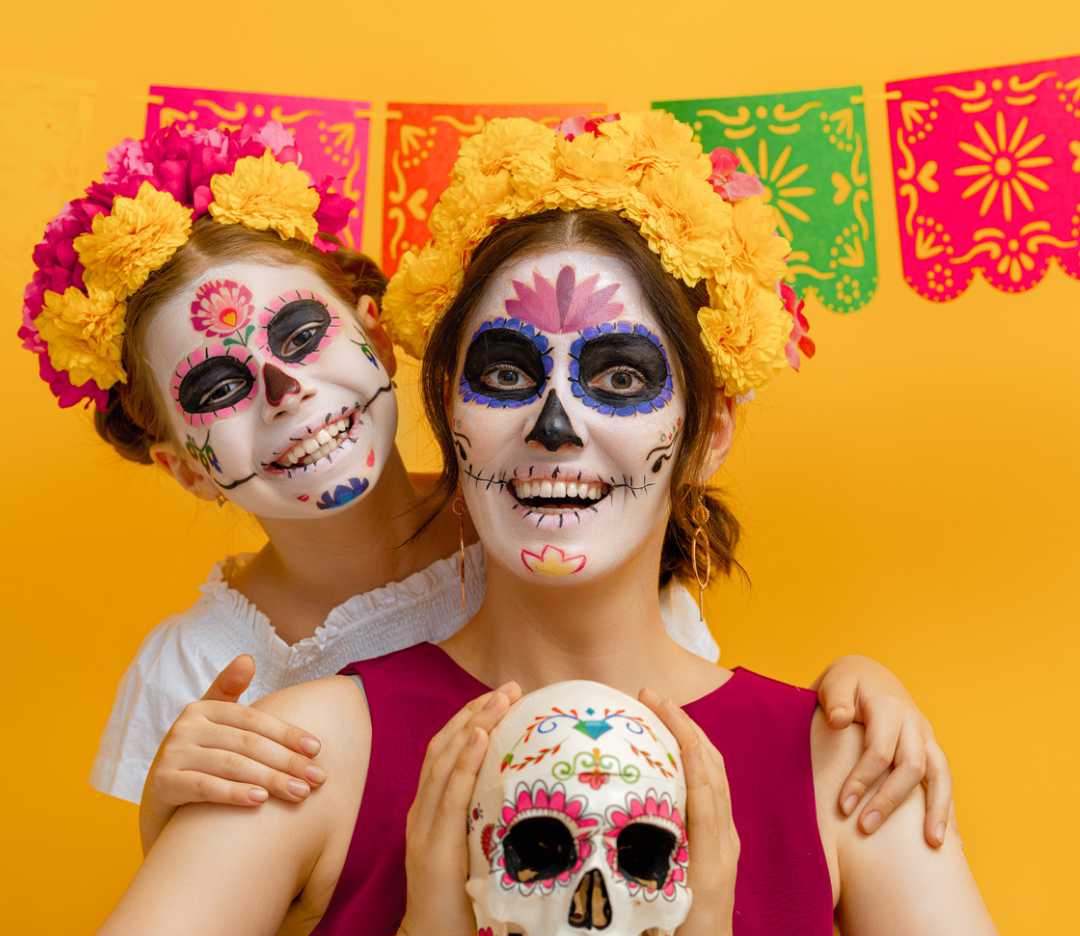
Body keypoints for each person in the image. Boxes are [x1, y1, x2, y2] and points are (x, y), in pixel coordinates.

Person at [25, 113, 1069, 936]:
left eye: (619, 378)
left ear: (706, 431)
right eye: (507, 374)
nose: (555, 426)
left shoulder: (845, 764)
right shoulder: (308, 752)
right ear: (449, 412)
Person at [21, 119, 948, 853]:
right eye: (217, 389)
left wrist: (846, 700)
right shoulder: (194, 670)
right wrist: (169, 815)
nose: (284, 388)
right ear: (184, 465)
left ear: (379, 334)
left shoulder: (545, 530)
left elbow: (700, 725)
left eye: (303, 337)